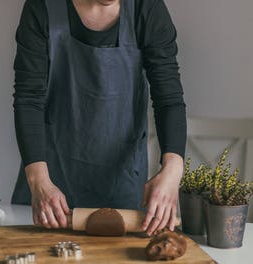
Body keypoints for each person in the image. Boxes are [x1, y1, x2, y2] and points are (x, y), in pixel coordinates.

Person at [11, 0, 187, 236]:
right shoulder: (42, 7)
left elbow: (169, 98)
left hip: (122, 181)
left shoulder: (147, 8)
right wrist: (38, 181)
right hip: (49, 181)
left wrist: (173, 169)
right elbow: (29, 98)